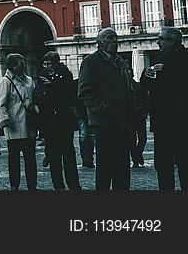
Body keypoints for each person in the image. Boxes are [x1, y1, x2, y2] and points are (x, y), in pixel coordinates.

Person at [78, 27, 133, 190]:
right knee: (105, 165)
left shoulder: (120, 62)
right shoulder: (91, 62)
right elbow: (84, 92)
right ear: (100, 43)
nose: (115, 41)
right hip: (104, 122)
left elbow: (128, 87)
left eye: (116, 38)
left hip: (123, 121)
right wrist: (102, 109)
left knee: (123, 165)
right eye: (110, 38)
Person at [140, 26, 188, 189]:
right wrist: (145, 76)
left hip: (182, 120)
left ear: (172, 41)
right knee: (162, 164)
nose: (158, 42)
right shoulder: (158, 59)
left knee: (184, 162)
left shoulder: (185, 58)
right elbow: (147, 86)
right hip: (161, 120)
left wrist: (167, 71)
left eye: (161, 39)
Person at [35, 50, 81, 190]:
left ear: (56, 63)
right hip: (48, 120)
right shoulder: (42, 74)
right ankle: (58, 185)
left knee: (68, 154)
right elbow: (38, 95)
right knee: (53, 156)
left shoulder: (65, 73)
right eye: (45, 63)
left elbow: (69, 92)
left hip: (64, 119)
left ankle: (73, 184)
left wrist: (52, 86)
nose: (47, 66)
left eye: (49, 64)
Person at [0, 53, 37, 190]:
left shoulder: (29, 80)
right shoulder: (6, 81)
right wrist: (5, 121)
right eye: (21, 63)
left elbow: (35, 99)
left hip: (29, 124)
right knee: (14, 159)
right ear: (13, 66)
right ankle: (15, 185)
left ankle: (32, 184)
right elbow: (1, 104)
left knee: (30, 158)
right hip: (14, 126)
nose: (24, 65)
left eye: (24, 62)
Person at [129, 74, 148, 168]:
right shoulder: (123, 88)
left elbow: (145, 99)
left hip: (139, 114)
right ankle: (135, 159)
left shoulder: (138, 86)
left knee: (143, 137)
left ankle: (138, 153)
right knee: (131, 139)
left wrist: (145, 111)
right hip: (129, 116)